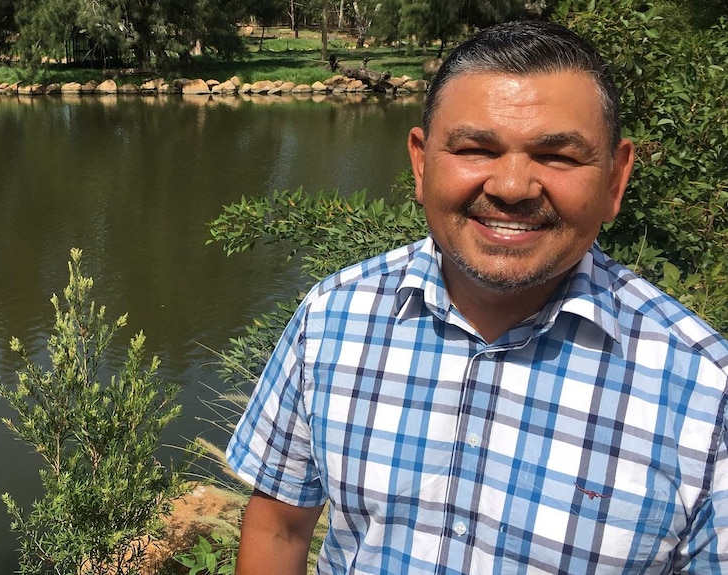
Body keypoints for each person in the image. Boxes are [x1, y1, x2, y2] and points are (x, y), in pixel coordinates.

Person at [226, 19, 728, 575]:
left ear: (614, 179)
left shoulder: (705, 392)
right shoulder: (332, 317)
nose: (512, 187)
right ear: (420, 163)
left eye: (558, 157)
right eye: (475, 148)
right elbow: (279, 527)